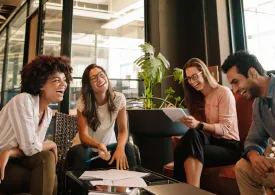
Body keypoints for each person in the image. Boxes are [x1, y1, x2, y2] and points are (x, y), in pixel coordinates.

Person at [0, 55, 73, 195]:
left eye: (64, 80)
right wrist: (52, 144)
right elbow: (30, 148)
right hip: (2, 164)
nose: (64, 84)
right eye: (57, 80)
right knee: (48, 169)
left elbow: (32, 149)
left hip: (14, 159)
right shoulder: (23, 100)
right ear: (41, 84)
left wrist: (10, 152)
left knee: (47, 160)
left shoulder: (47, 113)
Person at [174, 58, 241, 187]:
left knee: (185, 148)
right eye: (188, 78)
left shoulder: (223, 92)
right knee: (189, 137)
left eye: (195, 76)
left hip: (229, 147)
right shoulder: (196, 98)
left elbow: (225, 128)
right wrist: (185, 120)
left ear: (204, 73)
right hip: (210, 143)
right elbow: (199, 131)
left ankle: (192, 192)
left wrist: (198, 124)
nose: (192, 82)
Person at [221, 50, 275, 195]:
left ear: (251, 73)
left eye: (235, 82)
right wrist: (254, 156)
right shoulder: (258, 104)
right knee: (243, 168)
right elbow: (254, 138)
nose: (234, 90)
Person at [67, 64, 136, 171]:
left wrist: (120, 148)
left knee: (128, 148)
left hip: (106, 152)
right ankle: (79, 187)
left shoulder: (119, 98)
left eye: (101, 75)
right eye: (94, 78)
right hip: (85, 152)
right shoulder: (84, 101)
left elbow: (123, 131)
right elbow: (83, 136)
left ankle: (131, 185)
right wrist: (99, 145)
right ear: (88, 85)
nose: (99, 79)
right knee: (83, 152)